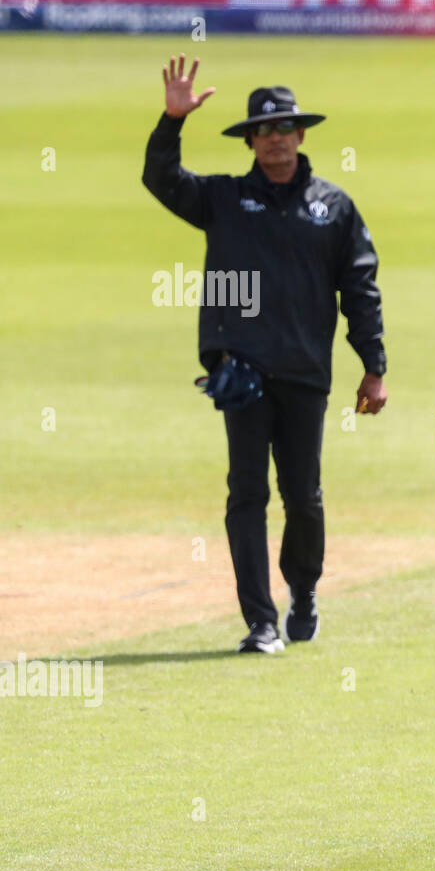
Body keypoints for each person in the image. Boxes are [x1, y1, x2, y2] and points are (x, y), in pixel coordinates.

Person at [142, 56, 387, 654]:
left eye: (285, 129)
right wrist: (172, 121)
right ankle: (260, 621)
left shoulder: (334, 207)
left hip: (305, 372)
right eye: (265, 130)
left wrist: (373, 365)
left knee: (303, 495)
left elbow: (360, 288)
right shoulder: (223, 199)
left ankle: (302, 591)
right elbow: (162, 179)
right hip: (242, 373)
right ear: (250, 140)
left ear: (301, 136)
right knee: (246, 494)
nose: (276, 139)